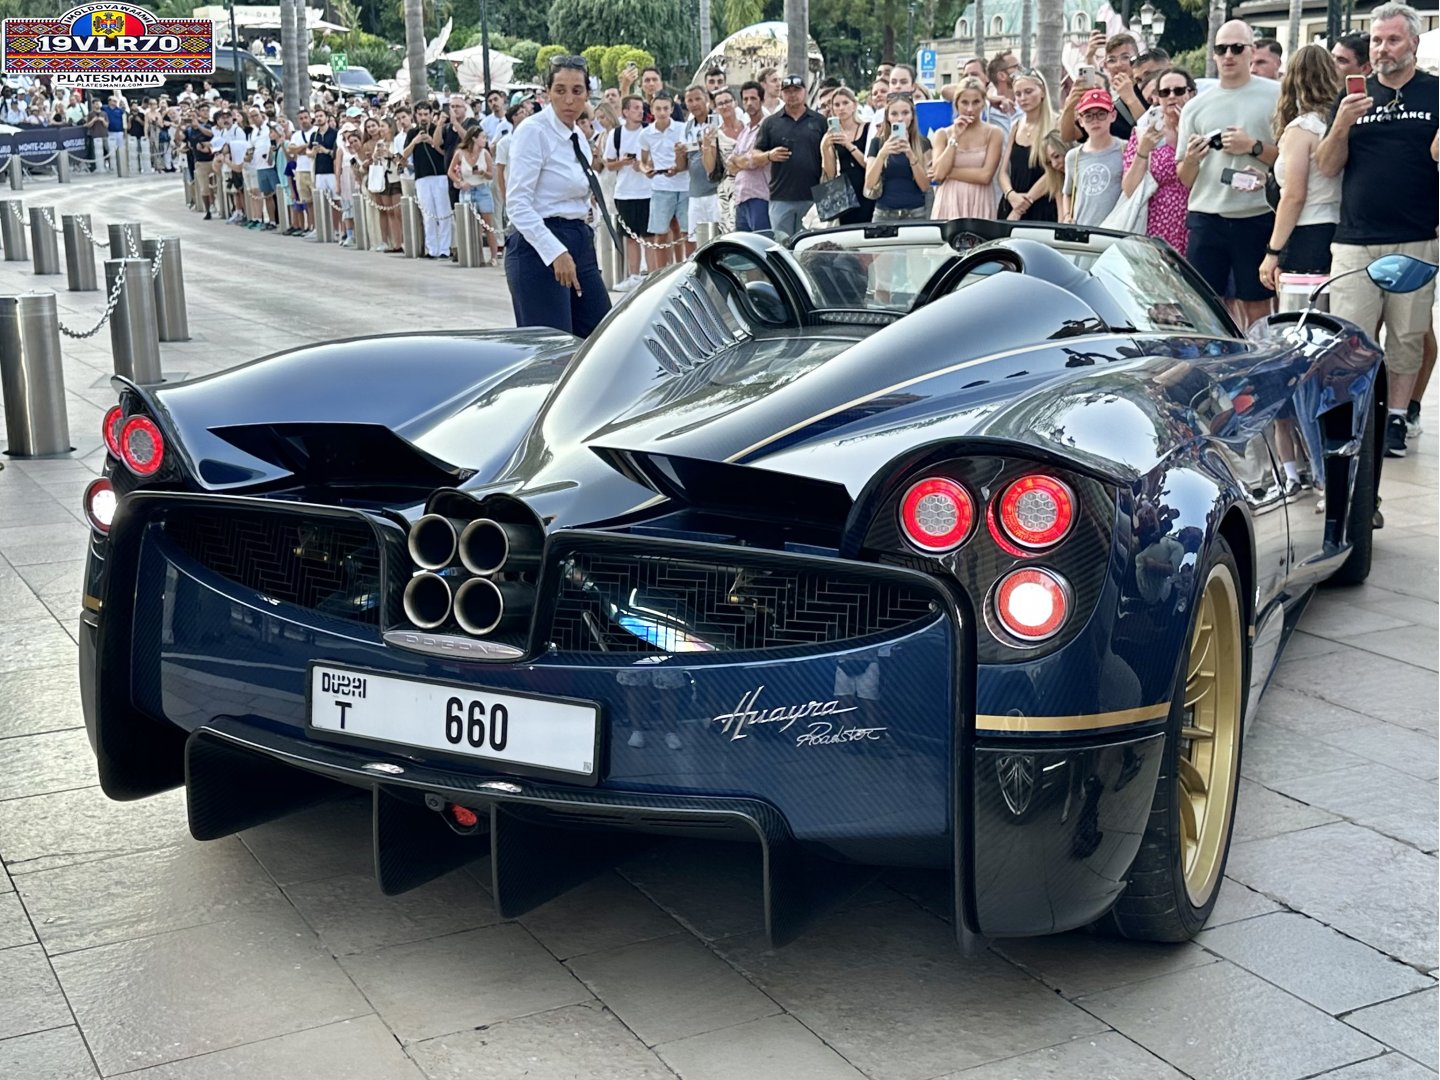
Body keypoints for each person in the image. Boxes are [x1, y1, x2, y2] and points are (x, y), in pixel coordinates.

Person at [1316, 1, 1439, 457]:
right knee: (1352, 338)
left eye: (1393, 39)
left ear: (1414, 42)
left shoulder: (1435, 94)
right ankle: (1356, 419)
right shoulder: (1351, 97)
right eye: (1377, 40)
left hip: (1416, 235)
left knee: (1408, 336)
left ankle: (1396, 420)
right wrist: (1343, 123)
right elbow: (1328, 166)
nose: (1383, 49)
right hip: (1354, 238)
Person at [1176, 20, 1281, 327]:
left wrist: (1254, 146)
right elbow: (1184, 176)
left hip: (1256, 214)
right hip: (1208, 216)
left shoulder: (1276, 95)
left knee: (1257, 305)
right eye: (1221, 49)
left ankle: (1260, 367)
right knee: (1205, 307)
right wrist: (1193, 159)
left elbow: (1293, 157)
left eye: (1237, 48)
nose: (1229, 55)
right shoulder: (1196, 107)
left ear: (1252, 51)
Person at [503, 55, 611, 338]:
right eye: (560, 90)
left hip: (577, 239)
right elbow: (517, 203)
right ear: (548, 92)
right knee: (552, 350)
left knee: (600, 339)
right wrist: (555, 252)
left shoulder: (578, 138)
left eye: (577, 91)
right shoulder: (533, 131)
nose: (569, 100)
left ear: (587, 93)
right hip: (538, 245)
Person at [1259, 45, 1342, 289]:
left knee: (1300, 318)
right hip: (1338, 227)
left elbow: (1294, 195)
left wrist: (1272, 250)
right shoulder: (1338, 124)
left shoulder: (1302, 129)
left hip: (1306, 232)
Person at [1120, 66, 1194, 253]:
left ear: (1190, 93)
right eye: (1164, 92)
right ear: (1157, 97)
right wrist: (1143, 151)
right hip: (1156, 224)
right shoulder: (1143, 133)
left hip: (1195, 225)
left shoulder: (1200, 128)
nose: (1171, 96)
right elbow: (1129, 189)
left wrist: (1184, 132)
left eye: (1178, 91)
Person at [754, 73, 827, 237]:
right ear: (781, 93)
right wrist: (769, 156)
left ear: (805, 92)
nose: (792, 94)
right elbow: (755, 154)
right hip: (781, 197)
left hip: (814, 196)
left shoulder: (819, 121)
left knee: (811, 246)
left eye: (796, 90)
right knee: (783, 247)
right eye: (787, 91)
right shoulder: (771, 123)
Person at [930, 77, 1003, 220]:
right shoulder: (943, 134)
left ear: (983, 103)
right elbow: (938, 175)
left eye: (976, 102)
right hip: (949, 201)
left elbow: (985, 176)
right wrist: (955, 137)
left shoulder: (994, 133)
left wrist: (948, 173)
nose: (970, 109)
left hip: (980, 200)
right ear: (956, 104)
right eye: (964, 102)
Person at [998, 69, 1058, 221]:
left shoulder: (1056, 124)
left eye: (1029, 91)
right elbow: (1003, 172)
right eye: (1018, 94)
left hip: (1042, 207)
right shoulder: (1016, 126)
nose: (1023, 98)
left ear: (1042, 92)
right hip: (1012, 203)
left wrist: (1023, 205)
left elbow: (1054, 172)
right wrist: (1010, 195)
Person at [605, 94, 651, 287]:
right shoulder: (615, 135)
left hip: (648, 191)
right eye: (635, 108)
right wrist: (622, 162)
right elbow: (609, 164)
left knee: (650, 236)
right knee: (630, 237)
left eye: (641, 108)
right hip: (625, 192)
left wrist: (643, 164)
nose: (640, 111)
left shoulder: (649, 132)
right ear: (625, 111)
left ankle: (650, 272)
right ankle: (633, 276)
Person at [1061, 88, 1125, 225]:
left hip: (1116, 229)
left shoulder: (1125, 149)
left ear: (1112, 116)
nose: (1095, 121)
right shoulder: (1073, 156)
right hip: (1083, 230)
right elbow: (1067, 192)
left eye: (1101, 114)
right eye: (1088, 116)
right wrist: (1067, 216)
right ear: (1080, 120)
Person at [640, 93, 688, 271]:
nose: (662, 112)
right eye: (658, 108)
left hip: (684, 185)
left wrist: (678, 166)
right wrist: (647, 171)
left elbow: (689, 157)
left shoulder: (683, 129)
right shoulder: (646, 134)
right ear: (652, 110)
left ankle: (685, 269)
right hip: (660, 187)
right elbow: (643, 160)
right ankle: (660, 273)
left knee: (686, 233)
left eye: (665, 108)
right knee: (660, 233)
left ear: (672, 109)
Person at [864, 94, 931, 220]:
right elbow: (869, 183)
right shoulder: (877, 143)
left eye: (905, 113)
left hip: (916, 213)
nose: (900, 119)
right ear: (887, 118)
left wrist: (911, 155)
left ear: (912, 116)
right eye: (894, 114)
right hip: (884, 213)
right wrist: (882, 154)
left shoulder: (923, 143)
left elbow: (925, 186)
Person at [819, 85, 874, 225]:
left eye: (845, 103)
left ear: (854, 105)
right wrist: (825, 148)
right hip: (843, 192)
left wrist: (849, 145)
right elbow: (830, 174)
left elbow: (869, 164)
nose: (841, 108)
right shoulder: (830, 134)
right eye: (836, 105)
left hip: (865, 187)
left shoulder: (867, 128)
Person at [405, 101, 454, 259]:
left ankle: (445, 248)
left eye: (426, 114)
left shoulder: (438, 130)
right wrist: (415, 141)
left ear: (432, 115)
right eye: (420, 115)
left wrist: (432, 142)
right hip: (422, 177)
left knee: (443, 212)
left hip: (440, 176)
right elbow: (404, 155)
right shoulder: (412, 133)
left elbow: (445, 153)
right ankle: (432, 248)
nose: (423, 118)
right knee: (429, 215)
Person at [448, 125, 499, 264]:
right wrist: (459, 181)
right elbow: (450, 171)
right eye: (482, 137)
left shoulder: (485, 154)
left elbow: (490, 175)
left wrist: (483, 173)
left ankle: (494, 256)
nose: (485, 140)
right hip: (467, 191)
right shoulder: (460, 153)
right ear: (474, 138)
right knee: (469, 225)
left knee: (488, 225)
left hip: (482, 189)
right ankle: (475, 255)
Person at [682, 85, 720, 254]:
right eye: (690, 100)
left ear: (707, 99)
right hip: (695, 192)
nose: (694, 103)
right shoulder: (686, 127)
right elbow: (683, 163)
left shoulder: (718, 121)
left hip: (716, 191)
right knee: (697, 241)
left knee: (719, 238)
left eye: (698, 99)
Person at [730, 81, 771, 232]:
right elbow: (730, 164)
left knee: (762, 245)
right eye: (746, 99)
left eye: (753, 98)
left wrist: (739, 160)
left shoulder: (768, 125)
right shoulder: (745, 130)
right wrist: (740, 160)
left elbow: (753, 160)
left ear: (761, 100)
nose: (749, 103)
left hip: (760, 196)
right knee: (744, 250)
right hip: (741, 197)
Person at [709, 86, 746, 233]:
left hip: (751, 184)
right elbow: (710, 167)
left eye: (728, 101)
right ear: (716, 108)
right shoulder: (715, 134)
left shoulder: (749, 128)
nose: (725, 106)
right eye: (720, 104)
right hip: (728, 186)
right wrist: (706, 147)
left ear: (735, 103)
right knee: (730, 230)